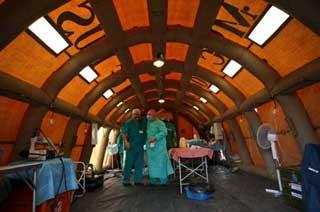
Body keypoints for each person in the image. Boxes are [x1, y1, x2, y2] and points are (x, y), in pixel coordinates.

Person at [146, 109, 174, 186]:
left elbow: (164, 132)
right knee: (151, 165)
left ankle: (163, 181)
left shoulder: (160, 123)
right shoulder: (147, 123)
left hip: (159, 148)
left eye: (150, 114)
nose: (148, 116)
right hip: (150, 148)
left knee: (161, 164)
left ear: (155, 115)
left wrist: (155, 137)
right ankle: (153, 181)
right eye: (147, 114)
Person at [121, 109, 147, 186]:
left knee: (139, 164)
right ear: (132, 115)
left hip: (140, 147)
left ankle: (138, 181)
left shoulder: (142, 121)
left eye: (138, 114)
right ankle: (126, 181)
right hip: (131, 147)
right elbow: (123, 133)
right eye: (135, 114)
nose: (136, 116)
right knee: (129, 163)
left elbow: (150, 116)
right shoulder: (128, 123)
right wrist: (126, 142)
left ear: (140, 115)